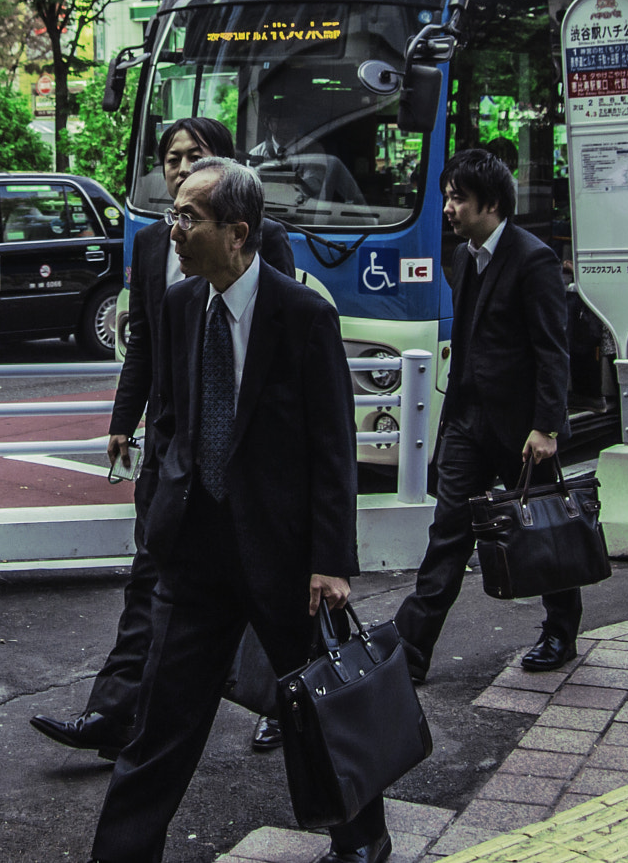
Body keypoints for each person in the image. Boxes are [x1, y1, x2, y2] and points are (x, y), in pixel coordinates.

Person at [88, 158, 386, 863]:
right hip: (197, 551)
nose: (174, 228)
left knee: (320, 708)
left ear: (237, 233)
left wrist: (331, 560)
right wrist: (164, 504)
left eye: (188, 216)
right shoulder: (182, 304)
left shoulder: (304, 315)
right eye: (174, 214)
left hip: (283, 558)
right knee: (163, 716)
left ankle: (362, 835)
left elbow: (333, 448)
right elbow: (174, 415)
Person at [33, 118, 296, 759]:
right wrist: (125, 421)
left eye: (194, 155)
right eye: (171, 157)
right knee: (149, 581)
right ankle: (112, 713)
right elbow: (143, 344)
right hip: (171, 452)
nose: (179, 167)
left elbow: (280, 351)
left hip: (242, 458)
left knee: (267, 592)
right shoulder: (154, 245)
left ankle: (287, 705)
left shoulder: (265, 239)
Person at [394, 149, 577, 678]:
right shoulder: (464, 256)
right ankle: (411, 651)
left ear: (491, 204)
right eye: (448, 197)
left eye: (459, 199)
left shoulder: (533, 259)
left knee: (544, 530)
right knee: (448, 532)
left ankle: (561, 632)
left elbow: (552, 349)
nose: (448, 208)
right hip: (469, 422)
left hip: (522, 430)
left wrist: (546, 426)